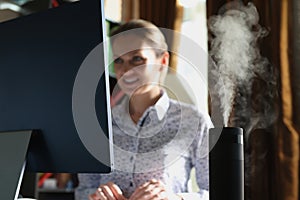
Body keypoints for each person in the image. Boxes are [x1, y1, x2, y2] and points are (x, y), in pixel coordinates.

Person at [75, 19, 213, 200]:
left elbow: (218, 192)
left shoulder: (194, 121)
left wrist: (175, 198)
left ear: (162, 61)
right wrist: (95, 196)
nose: (125, 71)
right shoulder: (101, 124)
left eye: (137, 59)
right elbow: (83, 190)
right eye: (119, 60)